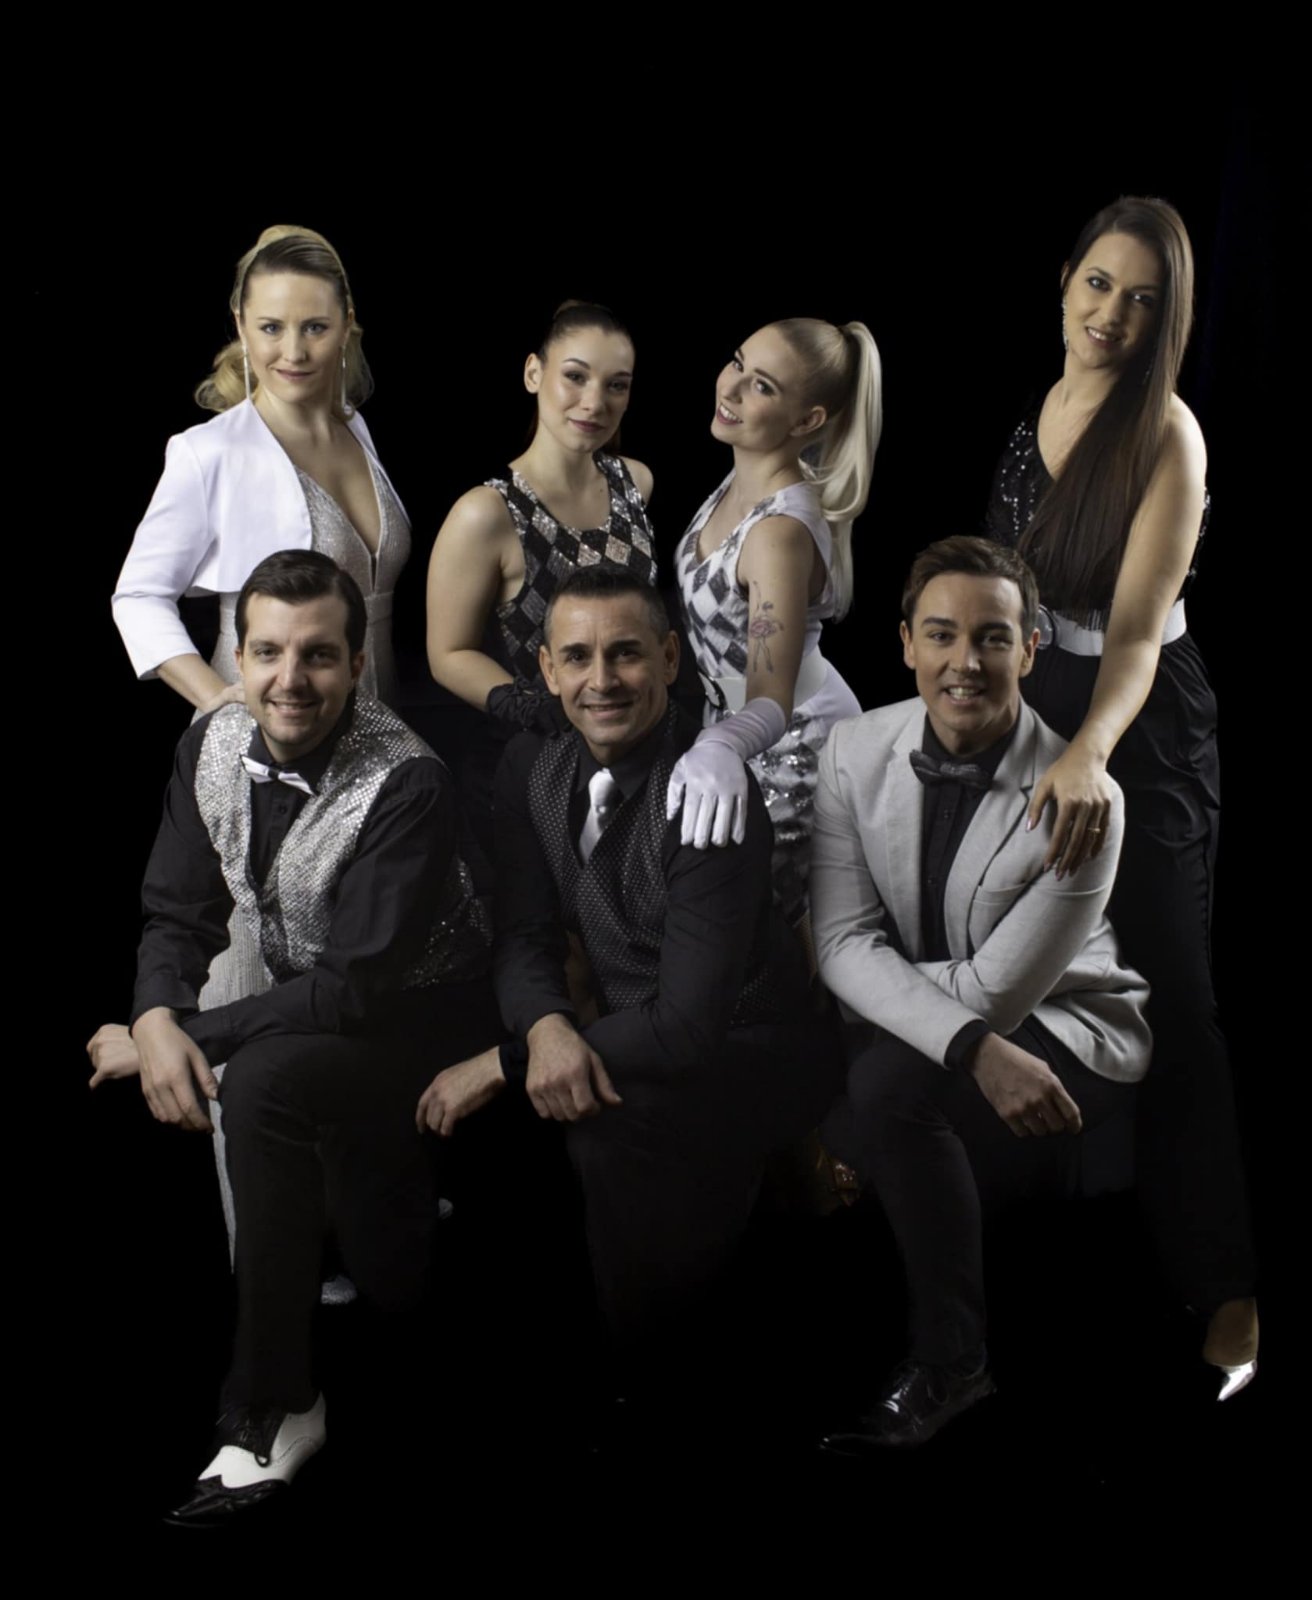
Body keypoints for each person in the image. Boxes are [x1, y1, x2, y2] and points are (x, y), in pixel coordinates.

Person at [87, 551, 493, 1525]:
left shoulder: (408, 778)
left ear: (356, 663)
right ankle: (393, 1222)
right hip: (311, 1000)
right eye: (267, 652)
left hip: (427, 1017)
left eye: (317, 655)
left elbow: (355, 988)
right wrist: (154, 1015)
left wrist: (178, 1039)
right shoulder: (213, 737)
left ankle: (276, 1404)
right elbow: (177, 909)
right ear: (239, 654)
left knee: (264, 1081)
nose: (289, 679)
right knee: (389, 1258)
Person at [416, 567, 834, 1397]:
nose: (601, 680)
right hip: (622, 1028)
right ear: (547, 670)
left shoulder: (710, 791)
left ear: (671, 658)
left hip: (749, 1045)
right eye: (577, 657)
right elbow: (525, 933)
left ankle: (653, 1380)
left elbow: (687, 1027)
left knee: (607, 1122)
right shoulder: (531, 763)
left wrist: (507, 1062)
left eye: (627, 654)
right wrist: (544, 1031)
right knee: (490, 1129)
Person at [982, 196, 1257, 1396]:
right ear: (1063, 282)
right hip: (1037, 698)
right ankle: (1051, 1223)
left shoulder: (1169, 436)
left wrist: (1088, 750)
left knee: (1172, 990)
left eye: (1142, 300)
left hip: (1136, 723)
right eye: (1098, 284)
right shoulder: (1039, 405)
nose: (1111, 314)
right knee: (1018, 966)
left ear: (1166, 321)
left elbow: (1136, 638)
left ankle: (1228, 1282)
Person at [112, 226, 413, 1267]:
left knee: (352, 990)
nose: (292, 349)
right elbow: (136, 597)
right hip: (270, 744)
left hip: (374, 744)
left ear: (348, 328)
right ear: (241, 327)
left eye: (314, 327)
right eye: (271, 326)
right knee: (249, 982)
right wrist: (220, 709)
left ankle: (355, 1227)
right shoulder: (209, 452)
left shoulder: (357, 429)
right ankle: (270, 1273)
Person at [810, 537, 1151, 1450]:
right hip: (954, 1025)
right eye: (942, 635)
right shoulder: (851, 751)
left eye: (993, 638)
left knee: (882, 1090)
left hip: (1060, 1024)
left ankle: (953, 1365)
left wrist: (887, 996)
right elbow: (838, 940)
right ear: (906, 644)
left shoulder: (1086, 799)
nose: (965, 662)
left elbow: (993, 991)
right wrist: (927, 1019)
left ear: (1030, 649)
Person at [425, 302, 658, 869]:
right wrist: (541, 711)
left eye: (616, 385)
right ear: (534, 373)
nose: (595, 402)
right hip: (529, 765)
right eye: (575, 376)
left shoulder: (636, 482)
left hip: (634, 753)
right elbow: (447, 654)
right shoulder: (486, 513)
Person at [668, 318, 882, 923]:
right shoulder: (743, 475)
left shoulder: (779, 534)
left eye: (761, 386)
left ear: (807, 420)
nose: (731, 388)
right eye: (737, 362)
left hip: (792, 743)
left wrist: (719, 743)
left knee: (765, 924)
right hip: (734, 729)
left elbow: (770, 696)